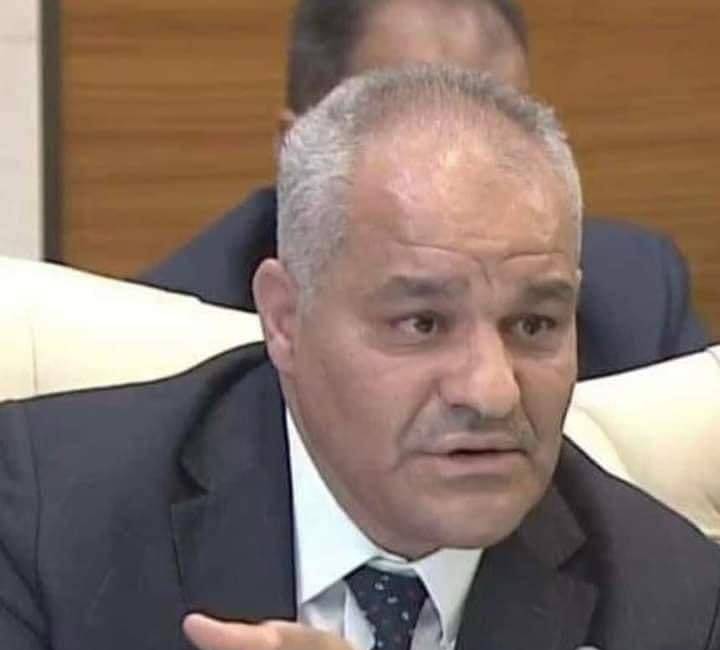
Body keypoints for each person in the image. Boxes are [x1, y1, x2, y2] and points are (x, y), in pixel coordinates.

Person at [1, 66, 719, 650]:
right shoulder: (44, 522)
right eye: (423, 324)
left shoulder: (676, 606)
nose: (492, 391)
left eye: (534, 325)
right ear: (285, 319)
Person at [139, 0, 709, 379]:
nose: (462, 173)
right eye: (417, 137)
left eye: (498, 135)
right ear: (296, 151)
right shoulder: (162, 340)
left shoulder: (632, 299)